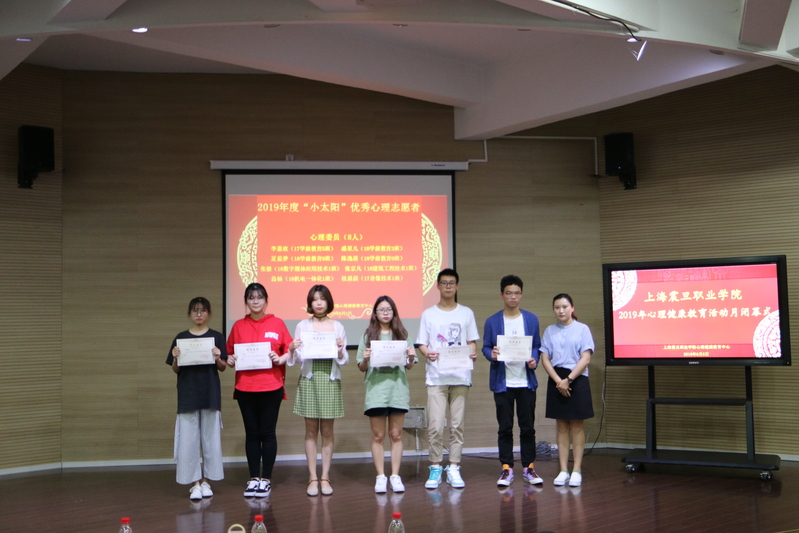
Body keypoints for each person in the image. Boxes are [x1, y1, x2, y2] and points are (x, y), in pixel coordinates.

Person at [226, 283, 293, 499]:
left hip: (271, 386)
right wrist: (230, 359)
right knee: (252, 434)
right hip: (245, 388)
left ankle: (267, 479)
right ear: (246, 301)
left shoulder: (277, 323)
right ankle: (254, 477)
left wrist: (279, 358)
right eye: (251, 298)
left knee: (268, 433)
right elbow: (228, 355)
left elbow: (289, 351)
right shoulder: (238, 326)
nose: (255, 301)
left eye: (260, 297)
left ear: (266, 300)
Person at [415, 268, 479, 490]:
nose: (448, 286)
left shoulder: (466, 313)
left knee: (457, 425)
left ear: (457, 286)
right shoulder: (428, 314)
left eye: (452, 283)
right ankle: (435, 467)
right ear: (438, 286)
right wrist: (427, 353)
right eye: (444, 283)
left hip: (460, 376)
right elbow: (422, 343)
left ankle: (453, 467)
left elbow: (472, 342)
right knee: (435, 425)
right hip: (436, 377)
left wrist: (472, 352)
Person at [482, 275, 544, 487]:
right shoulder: (492, 321)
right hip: (503, 382)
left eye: (517, 293)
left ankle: (529, 468)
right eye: (509, 293)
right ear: (501, 295)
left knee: (527, 428)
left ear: (521, 295)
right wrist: (492, 354)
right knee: (505, 428)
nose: (513, 297)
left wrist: (534, 359)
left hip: (525, 382)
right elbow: (485, 347)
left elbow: (536, 345)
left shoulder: (531, 319)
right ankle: (506, 468)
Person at [289, 285, 348, 496]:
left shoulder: (337, 326)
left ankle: (325, 477)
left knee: (328, 432)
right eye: (315, 299)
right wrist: (292, 349)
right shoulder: (302, 325)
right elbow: (297, 360)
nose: (319, 303)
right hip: (310, 380)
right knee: (311, 432)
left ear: (328, 301)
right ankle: (313, 477)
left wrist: (340, 351)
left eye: (322, 298)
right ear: (310, 303)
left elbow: (343, 359)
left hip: (329, 381)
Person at [166, 297, 227, 500]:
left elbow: (223, 367)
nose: (199, 314)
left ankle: (207, 481)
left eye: (202, 310)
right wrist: (176, 357)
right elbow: (175, 369)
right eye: (195, 310)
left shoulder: (216, 337)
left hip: (210, 393)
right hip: (188, 394)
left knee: (211, 439)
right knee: (188, 441)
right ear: (190, 314)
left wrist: (218, 357)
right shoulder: (181, 338)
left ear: (209, 313)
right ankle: (195, 484)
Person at [356, 296, 417, 494]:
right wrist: (365, 358)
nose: (385, 313)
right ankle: (381, 476)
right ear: (375, 313)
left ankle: (395, 476)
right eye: (381, 309)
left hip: (397, 390)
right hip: (376, 391)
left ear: (394, 312)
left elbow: (409, 365)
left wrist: (411, 357)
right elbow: (361, 367)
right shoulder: (368, 335)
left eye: (388, 309)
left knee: (396, 435)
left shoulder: (402, 334)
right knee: (378, 435)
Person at [539, 293, 594, 488]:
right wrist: (559, 381)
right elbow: (545, 358)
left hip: (577, 378)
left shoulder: (582, 329)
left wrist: (568, 380)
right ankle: (563, 470)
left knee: (577, 426)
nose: (560, 311)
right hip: (557, 378)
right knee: (561, 425)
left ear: (572, 308)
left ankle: (576, 470)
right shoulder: (549, 330)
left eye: (564, 306)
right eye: (557, 307)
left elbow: (585, 358)